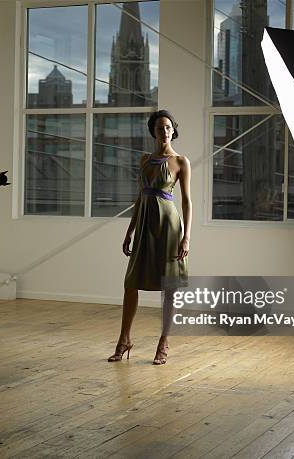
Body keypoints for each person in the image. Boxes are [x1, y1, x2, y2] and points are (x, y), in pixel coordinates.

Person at [108, 110, 192, 365]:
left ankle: (163, 342)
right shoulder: (144, 159)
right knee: (131, 283)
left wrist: (187, 237)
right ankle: (124, 339)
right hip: (144, 225)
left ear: (173, 130)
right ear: (153, 132)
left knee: (170, 287)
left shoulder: (180, 161)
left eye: (167, 127)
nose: (163, 131)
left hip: (169, 226)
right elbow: (140, 197)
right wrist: (129, 229)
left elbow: (187, 202)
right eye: (159, 128)